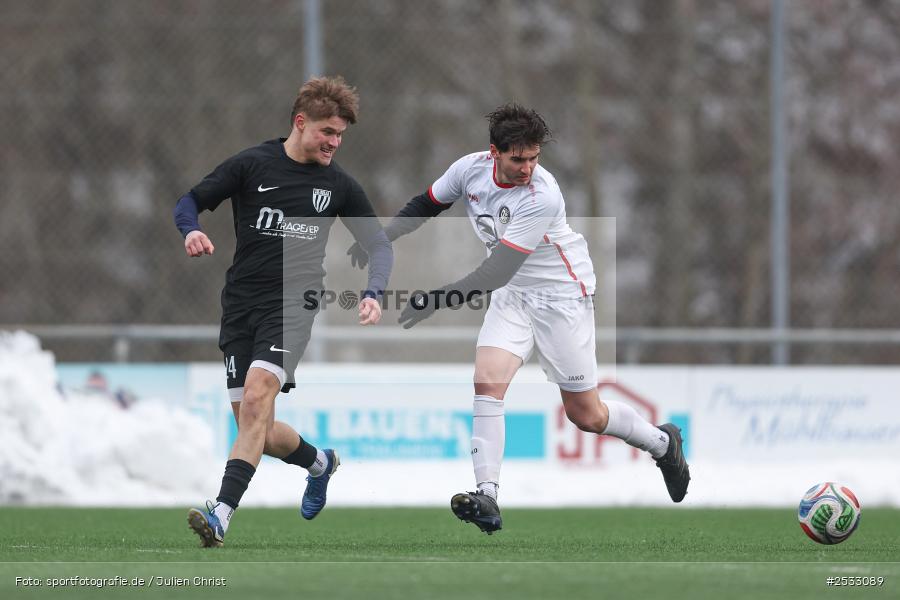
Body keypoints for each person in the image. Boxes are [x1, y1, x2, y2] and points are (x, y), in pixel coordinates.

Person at [349, 103, 689, 534]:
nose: (527, 167)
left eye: (533, 158)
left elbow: (496, 271)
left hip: (561, 295)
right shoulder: (468, 170)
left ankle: (662, 443)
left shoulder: (541, 195)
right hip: (512, 296)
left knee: (586, 415)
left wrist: (436, 299)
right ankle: (487, 495)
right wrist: (382, 239)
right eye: (518, 159)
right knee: (486, 382)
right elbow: (426, 203)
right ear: (494, 153)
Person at [175, 76, 392, 547]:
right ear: (300, 123)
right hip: (240, 306)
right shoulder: (252, 165)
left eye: (340, 136)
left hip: (293, 304)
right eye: (327, 133)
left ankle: (221, 514)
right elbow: (189, 200)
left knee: (256, 401)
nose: (335, 143)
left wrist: (374, 290)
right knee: (259, 429)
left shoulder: (338, 186)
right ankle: (320, 463)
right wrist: (190, 229)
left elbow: (378, 244)